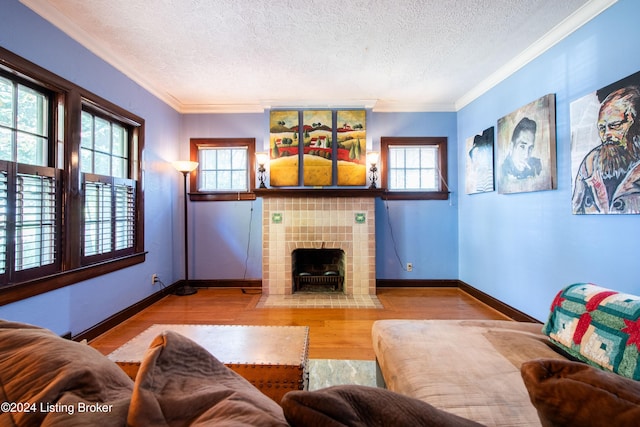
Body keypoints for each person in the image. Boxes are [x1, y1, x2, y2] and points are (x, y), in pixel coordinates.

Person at [572, 86, 640, 214]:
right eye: (602, 128)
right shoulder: (590, 164)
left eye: (615, 125)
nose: (607, 134)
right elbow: (576, 208)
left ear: (635, 123)